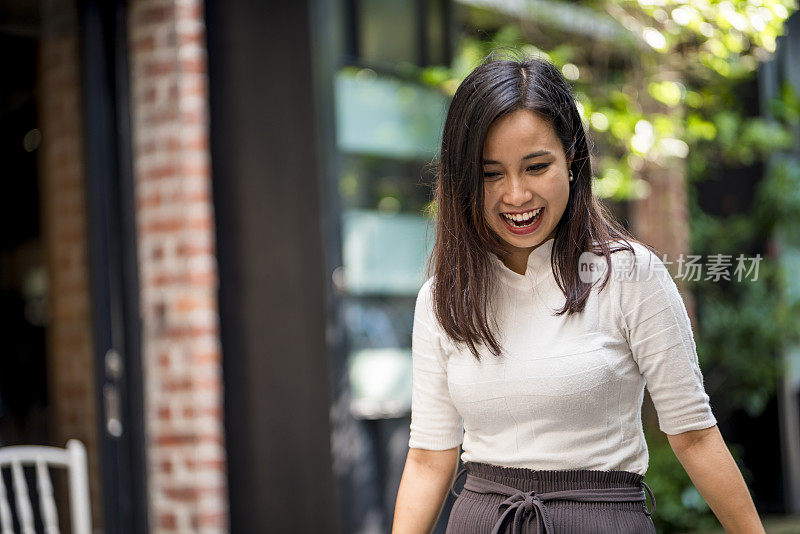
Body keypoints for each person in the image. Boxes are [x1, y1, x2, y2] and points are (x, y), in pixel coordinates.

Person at [391, 53, 765, 534]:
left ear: (572, 158)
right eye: (490, 174)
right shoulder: (443, 297)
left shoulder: (631, 275)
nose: (516, 195)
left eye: (536, 166)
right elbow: (427, 458)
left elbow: (693, 436)